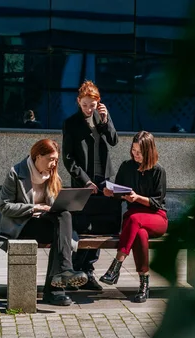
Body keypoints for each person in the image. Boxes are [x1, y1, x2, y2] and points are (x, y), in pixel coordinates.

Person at [0, 139, 88, 306]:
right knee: (61, 232)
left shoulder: (52, 175)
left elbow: (54, 206)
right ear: (38, 156)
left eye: (56, 160)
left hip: (44, 223)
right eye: (50, 159)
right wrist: (34, 207)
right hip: (22, 226)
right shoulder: (16, 173)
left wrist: (60, 205)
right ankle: (55, 290)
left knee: (64, 217)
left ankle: (64, 272)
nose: (53, 164)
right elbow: (4, 206)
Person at [62, 80, 119, 291]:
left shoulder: (102, 116)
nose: (88, 109)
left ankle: (89, 271)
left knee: (99, 228)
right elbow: (68, 159)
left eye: (92, 105)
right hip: (84, 181)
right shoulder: (71, 123)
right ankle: (77, 271)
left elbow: (113, 140)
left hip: (104, 179)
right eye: (85, 104)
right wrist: (85, 180)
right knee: (83, 227)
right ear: (79, 102)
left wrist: (104, 120)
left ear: (98, 103)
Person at [99, 131, 168, 303]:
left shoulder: (158, 170)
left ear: (149, 151)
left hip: (156, 217)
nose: (135, 154)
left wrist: (138, 198)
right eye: (133, 150)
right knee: (140, 234)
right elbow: (119, 192)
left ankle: (116, 264)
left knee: (135, 219)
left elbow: (158, 202)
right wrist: (111, 192)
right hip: (134, 219)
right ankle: (144, 285)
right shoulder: (126, 166)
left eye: (139, 152)